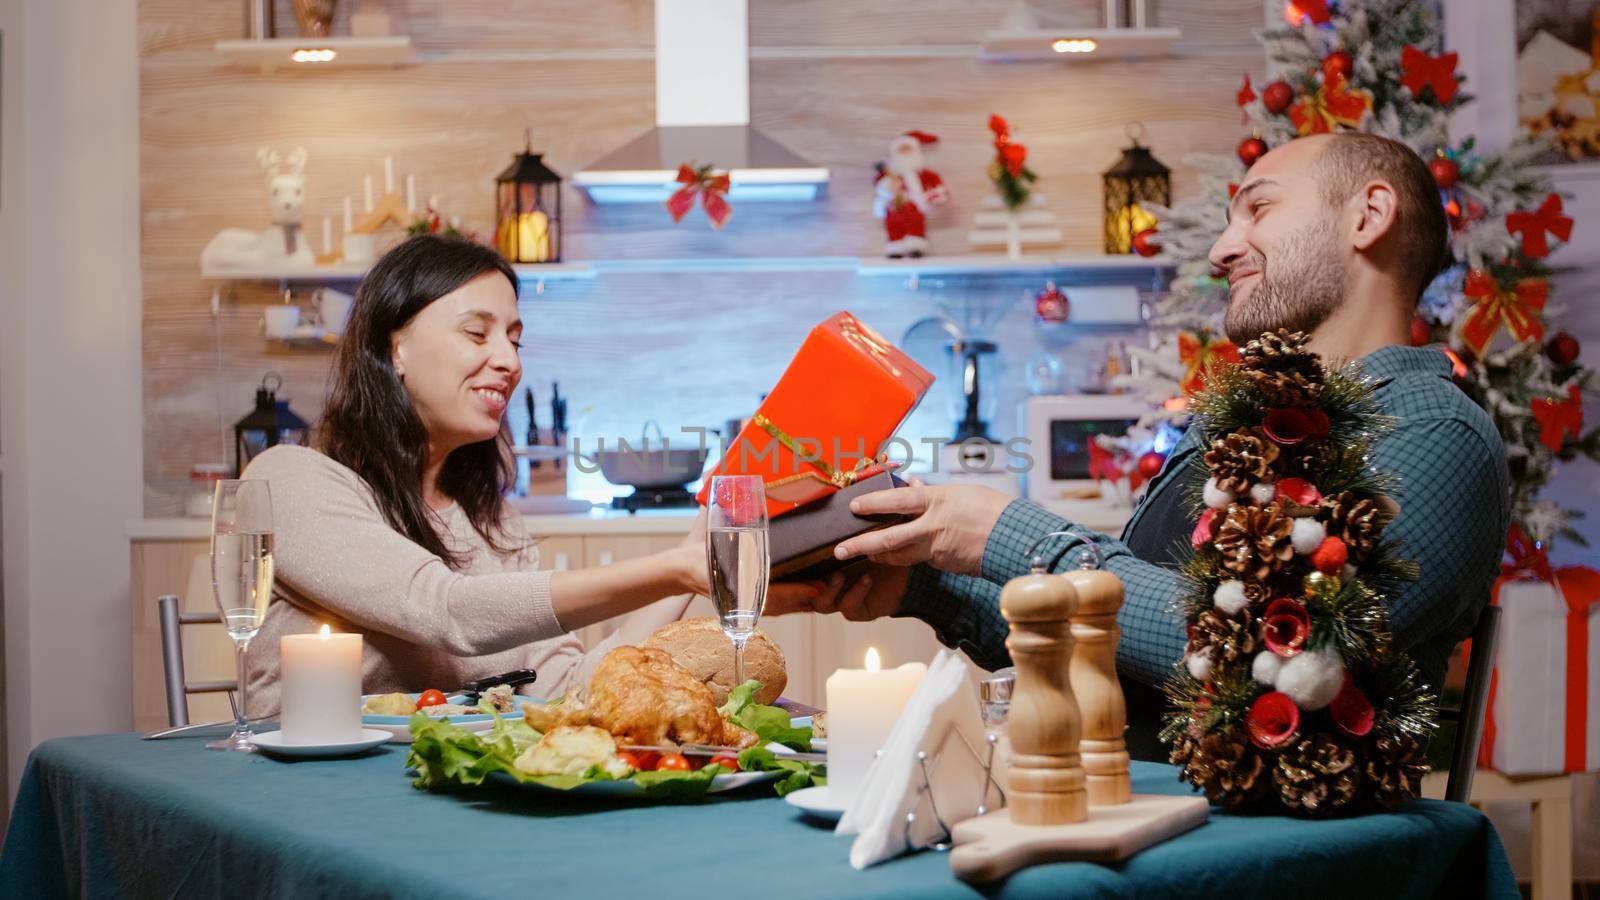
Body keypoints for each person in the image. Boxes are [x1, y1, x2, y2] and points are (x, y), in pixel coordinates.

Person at [782, 132, 1510, 759]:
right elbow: (1133, 656)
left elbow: (1277, 662)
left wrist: (1009, 534)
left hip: (1274, 853)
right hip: (1143, 815)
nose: (1224, 248)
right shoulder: (1235, 432)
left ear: (1369, 216)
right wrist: (921, 581)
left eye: (1258, 208)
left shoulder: (1429, 430)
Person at [243, 235, 813, 715]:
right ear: (394, 347)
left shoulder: (492, 523)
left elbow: (569, 691)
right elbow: (446, 610)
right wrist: (674, 571)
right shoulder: (288, 481)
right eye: (477, 333)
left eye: (514, 339)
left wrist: (697, 553)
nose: (510, 360)